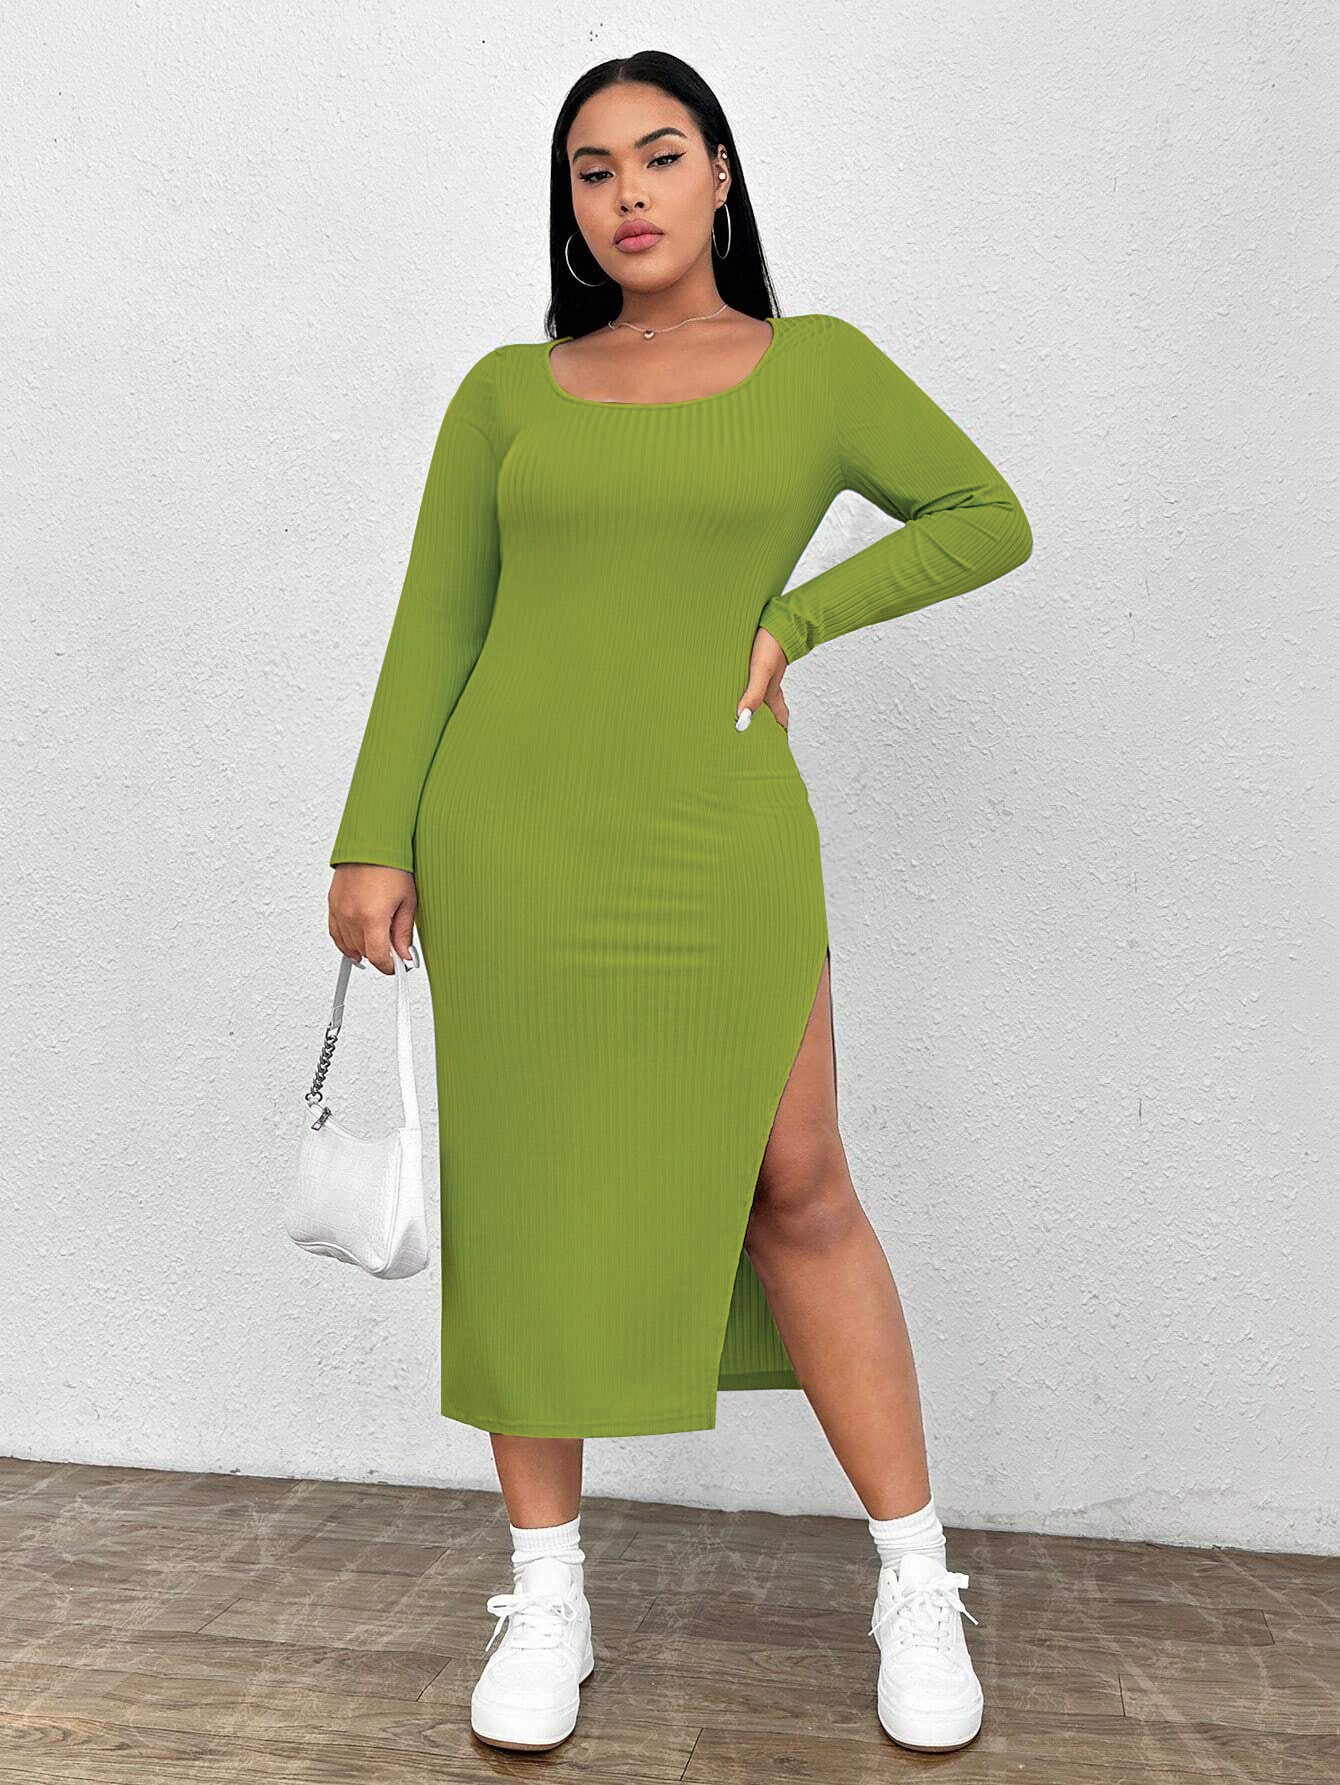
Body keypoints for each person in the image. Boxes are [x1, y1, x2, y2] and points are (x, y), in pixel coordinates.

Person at [326, 50, 1032, 1758]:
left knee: (799, 1182)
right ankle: (546, 1591)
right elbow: (439, 622)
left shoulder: (819, 368)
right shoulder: (509, 392)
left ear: (720, 174)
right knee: (526, 1205)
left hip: (716, 834)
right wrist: (370, 837)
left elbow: (985, 515)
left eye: (659, 156)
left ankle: (915, 1580)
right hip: (511, 837)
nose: (627, 194)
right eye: (592, 169)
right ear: (569, 204)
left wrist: (796, 619)